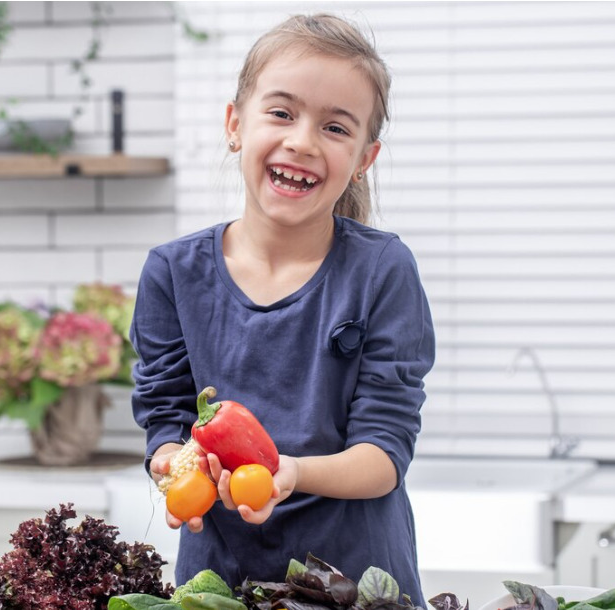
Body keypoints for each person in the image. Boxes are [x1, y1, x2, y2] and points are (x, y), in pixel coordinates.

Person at [130, 12, 436, 606]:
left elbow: (384, 454)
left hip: (358, 579)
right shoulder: (172, 273)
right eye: (281, 113)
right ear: (234, 124)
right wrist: (178, 468)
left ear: (364, 158)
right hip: (220, 582)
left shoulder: (382, 271)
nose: (302, 141)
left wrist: (290, 471)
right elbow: (165, 425)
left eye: (336, 127)